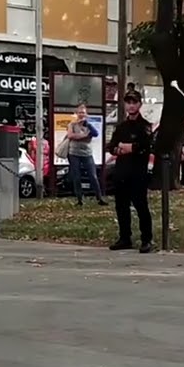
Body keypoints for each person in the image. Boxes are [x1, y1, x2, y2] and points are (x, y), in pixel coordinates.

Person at [107, 89, 155, 254]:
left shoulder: (145, 126)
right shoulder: (121, 127)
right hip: (121, 172)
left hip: (138, 173)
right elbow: (111, 146)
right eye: (128, 102)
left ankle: (146, 239)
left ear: (140, 104)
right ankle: (124, 238)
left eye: (134, 102)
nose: (131, 105)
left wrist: (132, 147)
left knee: (141, 206)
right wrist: (121, 149)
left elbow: (146, 146)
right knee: (121, 207)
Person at [65, 103, 105, 206]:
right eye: (79, 112)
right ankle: (79, 199)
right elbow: (70, 135)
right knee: (76, 176)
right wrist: (84, 135)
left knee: (93, 175)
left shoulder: (89, 125)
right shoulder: (72, 125)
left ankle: (99, 198)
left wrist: (85, 128)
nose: (81, 114)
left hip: (87, 153)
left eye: (83, 112)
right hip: (74, 153)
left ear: (86, 114)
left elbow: (95, 134)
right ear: (76, 113)